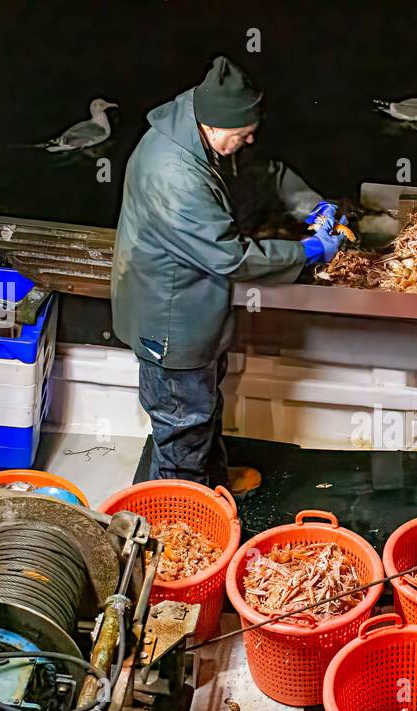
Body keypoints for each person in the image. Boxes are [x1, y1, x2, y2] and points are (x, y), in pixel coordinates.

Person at [111, 55, 344, 490]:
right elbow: (230, 257)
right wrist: (307, 252)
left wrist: (311, 204)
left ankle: (212, 479)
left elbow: (261, 174)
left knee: (203, 404)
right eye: (244, 133)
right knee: (183, 422)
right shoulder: (175, 175)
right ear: (215, 126)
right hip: (170, 321)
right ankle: (182, 510)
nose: (251, 139)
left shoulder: (197, 130)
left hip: (195, 309)